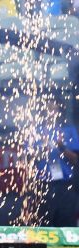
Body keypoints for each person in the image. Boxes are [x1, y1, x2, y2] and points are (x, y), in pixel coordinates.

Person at [35, 96, 79, 227]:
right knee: (43, 223)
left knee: (65, 223)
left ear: (59, 110)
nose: (51, 111)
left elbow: (75, 159)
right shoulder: (36, 131)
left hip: (64, 184)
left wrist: (61, 146)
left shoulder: (68, 130)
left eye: (54, 108)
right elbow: (27, 157)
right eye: (48, 108)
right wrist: (42, 149)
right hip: (43, 184)